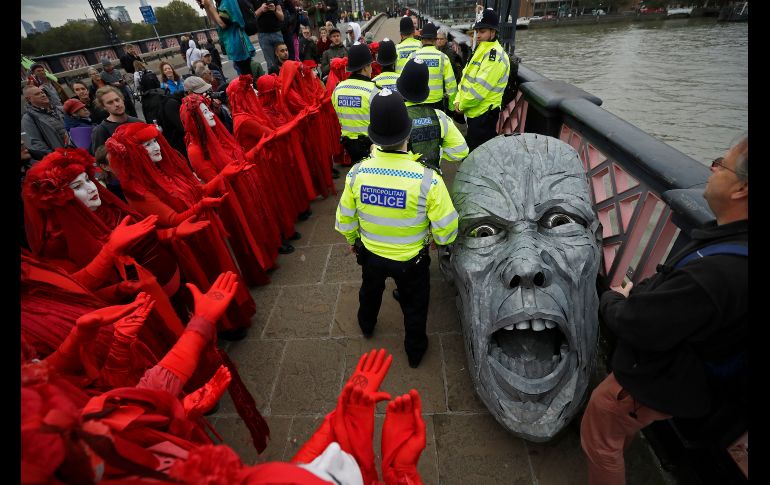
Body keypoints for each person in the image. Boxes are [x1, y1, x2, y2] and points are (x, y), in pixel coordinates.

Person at [580, 136, 748, 484]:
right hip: (698, 385)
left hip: (655, 383)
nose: (712, 168)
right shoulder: (731, 246)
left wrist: (612, 299)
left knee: (601, 438)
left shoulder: (716, 273)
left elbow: (636, 323)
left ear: (740, 189)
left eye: (720, 162)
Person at [335, 89, 459, 368]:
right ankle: (414, 352)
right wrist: (437, 241)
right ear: (407, 134)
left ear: (373, 136)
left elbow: (344, 218)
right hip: (411, 262)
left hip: (371, 256)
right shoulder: (429, 179)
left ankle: (366, 325)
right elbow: (448, 229)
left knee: (369, 292)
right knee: (415, 308)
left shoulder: (357, 173)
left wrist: (353, 240)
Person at [105, 122, 257, 339]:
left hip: (203, 230)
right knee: (207, 281)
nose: (156, 147)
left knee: (223, 271)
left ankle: (235, 314)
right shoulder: (136, 188)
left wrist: (223, 176)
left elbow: (198, 191)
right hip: (187, 243)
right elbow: (171, 219)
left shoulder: (166, 167)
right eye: (147, 145)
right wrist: (201, 206)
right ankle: (225, 324)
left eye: (155, 141)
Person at [180, 92, 280, 282]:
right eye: (204, 112)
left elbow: (240, 159)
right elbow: (212, 183)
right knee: (246, 233)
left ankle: (268, 257)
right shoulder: (195, 150)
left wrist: (257, 149)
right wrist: (227, 175)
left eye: (208, 110)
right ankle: (258, 269)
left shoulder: (219, 135)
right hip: (233, 200)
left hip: (246, 188)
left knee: (259, 224)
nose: (210, 114)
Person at [396, 58, 468, 173]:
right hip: (431, 180)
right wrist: (437, 151)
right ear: (425, 90)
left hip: (404, 180)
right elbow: (461, 151)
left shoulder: (395, 115)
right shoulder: (440, 117)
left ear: (400, 88)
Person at [454, 8, 510, 151]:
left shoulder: (495, 56)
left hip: (483, 116)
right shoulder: (481, 50)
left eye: (482, 31)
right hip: (473, 113)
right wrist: (457, 100)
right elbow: (465, 78)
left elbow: (479, 89)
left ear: (493, 32)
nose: (478, 35)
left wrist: (461, 105)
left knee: (477, 156)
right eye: (476, 31)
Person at [331, 43, 379, 165]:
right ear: (365, 67)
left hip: (348, 146)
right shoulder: (374, 90)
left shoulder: (338, 89)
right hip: (370, 146)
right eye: (370, 65)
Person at [200, 0, 258, 75]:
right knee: (244, 72)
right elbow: (215, 22)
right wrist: (207, 7)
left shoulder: (227, 1)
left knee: (245, 74)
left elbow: (223, 24)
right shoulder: (221, 2)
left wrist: (210, 6)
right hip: (235, 42)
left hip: (237, 42)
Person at [410, 22, 457, 112]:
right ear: (435, 40)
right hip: (437, 103)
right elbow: (451, 85)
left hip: (418, 102)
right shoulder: (443, 58)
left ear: (422, 40)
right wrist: (451, 107)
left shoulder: (412, 56)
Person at [90, 86, 143, 154]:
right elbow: (100, 160)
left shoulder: (137, 122)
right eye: (110, 102)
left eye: (117, 100)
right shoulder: (101, 131)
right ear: (104, 107)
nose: (116, 104)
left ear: (122, 99)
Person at [21, 85, 70, 155]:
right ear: (28, 99)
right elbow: (38, 144)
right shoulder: (29, 118)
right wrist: (56, 157)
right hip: (62, 157)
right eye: (37, 94)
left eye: (42, 92)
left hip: (78, 151)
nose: (43, 95)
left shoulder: (60, 109)